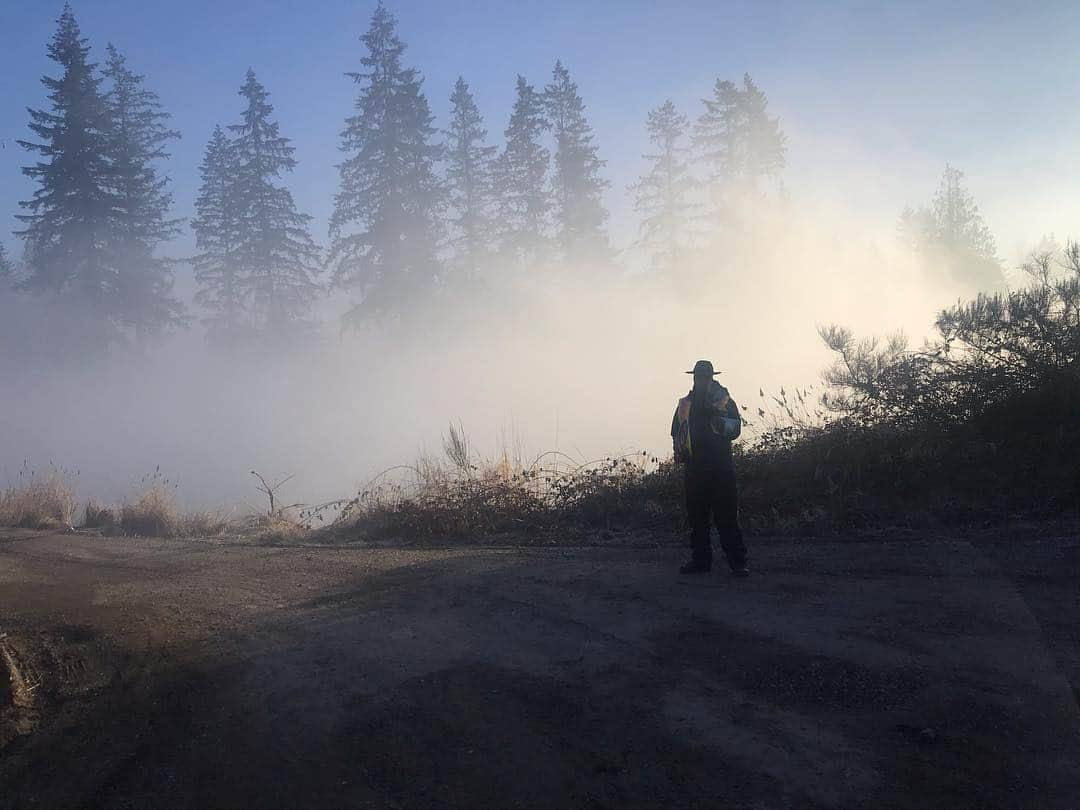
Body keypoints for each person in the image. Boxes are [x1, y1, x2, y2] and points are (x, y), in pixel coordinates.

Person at [671, 359, 749, 577]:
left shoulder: (724, 402)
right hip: (695, 469)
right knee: (697, 519)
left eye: (705, 377)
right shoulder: (685, 404)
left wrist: (715, 417)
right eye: (699, 377)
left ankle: (738, 563)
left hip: (721, 468)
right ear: (694, 378)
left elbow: (735, 430)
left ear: (712, 378)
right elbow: (676, 432)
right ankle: (701, 562)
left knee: (727, 519)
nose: (702, 381)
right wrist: (679, 451)